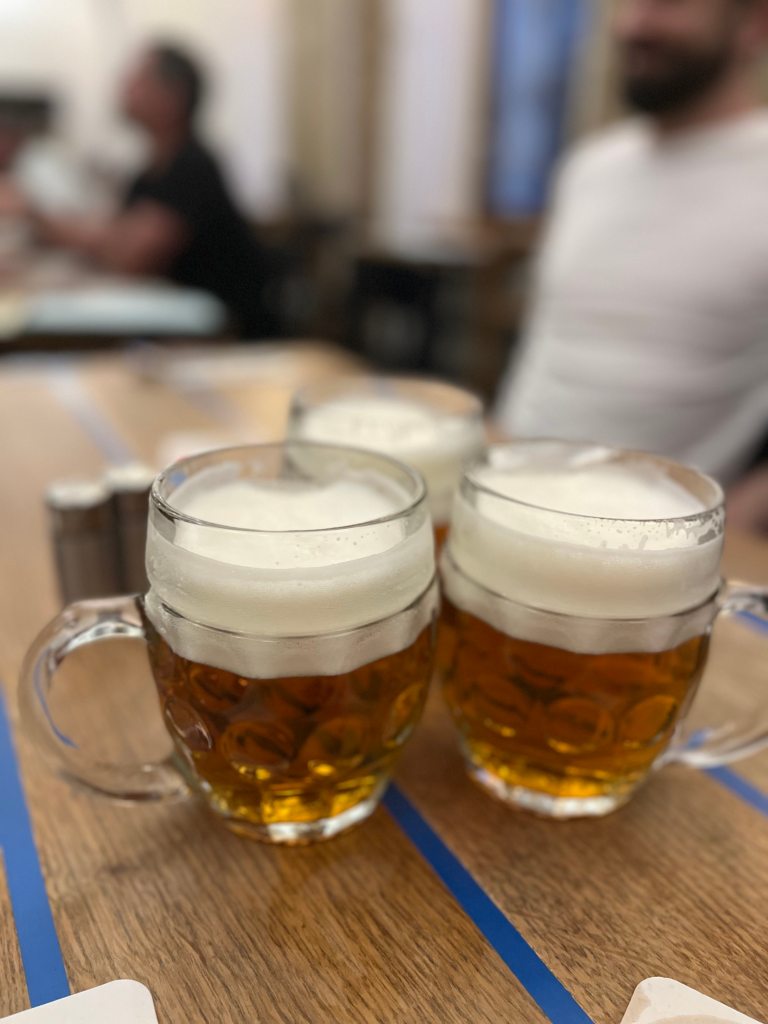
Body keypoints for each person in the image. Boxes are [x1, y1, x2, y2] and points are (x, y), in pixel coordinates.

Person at [496, 0, 768, 527]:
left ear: (754, 24)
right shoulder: (588, 167)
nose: (631, 25)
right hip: (507, 499)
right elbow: (547, 349)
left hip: (651, 537)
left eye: (667, 4)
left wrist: (732, 527)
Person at [27, 44, 272, 336]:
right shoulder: (146, 174)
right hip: (176, 327)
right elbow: (112, 236)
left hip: (226, 335)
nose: (124, 87)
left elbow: (129, 256)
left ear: (173, 97)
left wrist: (36, 217)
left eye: (138, 80)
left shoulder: (193, 166)